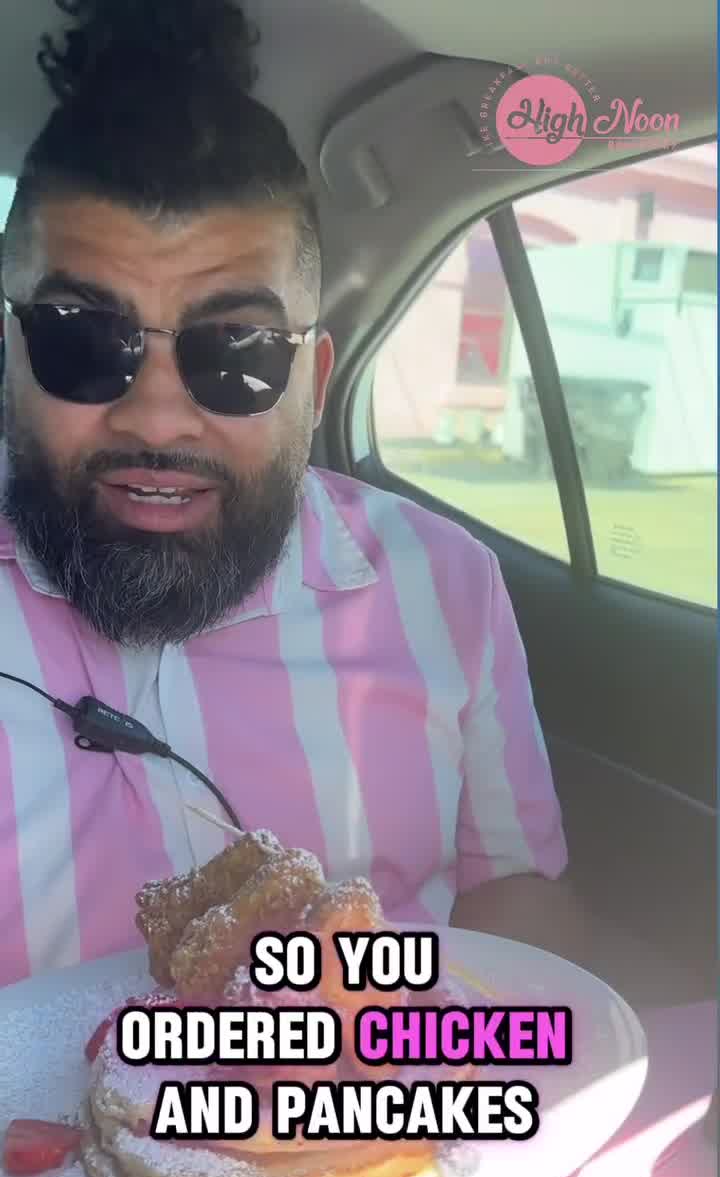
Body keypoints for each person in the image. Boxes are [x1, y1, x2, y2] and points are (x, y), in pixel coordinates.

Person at [0, 0, 645, 1000]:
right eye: (82, 341)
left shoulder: (445, 585)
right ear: (9, 355)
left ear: (316, 379)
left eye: (241, 351)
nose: (158, 417)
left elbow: (517, 895)